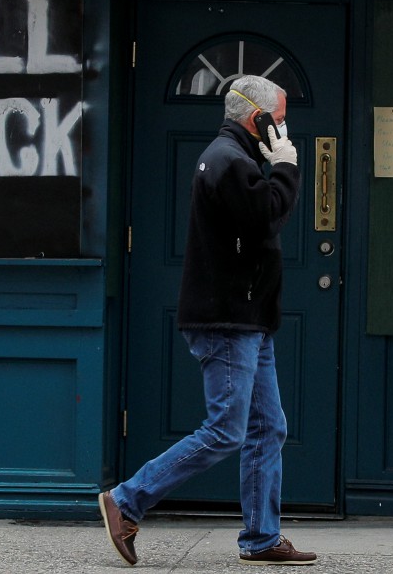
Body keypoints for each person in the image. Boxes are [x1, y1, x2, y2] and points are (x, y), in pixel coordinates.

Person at [99, 74, 316, 567]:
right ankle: (127, 499)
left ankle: (262, 538)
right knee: (226, 430)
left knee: (268, 426)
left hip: (247, 318)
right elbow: (268, 215)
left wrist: (274, 166)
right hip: (229, 319)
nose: (284, 131)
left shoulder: (232, 159)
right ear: (256, 117)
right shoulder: (228, 161)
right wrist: (286, 169)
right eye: (279, 121)